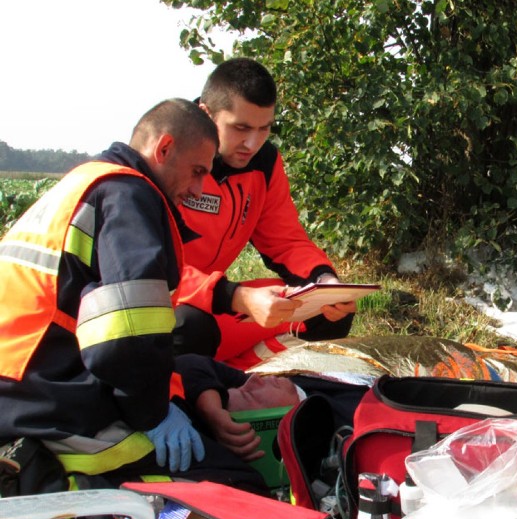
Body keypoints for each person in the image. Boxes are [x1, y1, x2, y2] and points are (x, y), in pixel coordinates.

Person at [0, 99, 267, 494]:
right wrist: (155, 415)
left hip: (24, 378)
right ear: (163, 149)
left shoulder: (90, 180)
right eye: (196, 172)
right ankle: (60, 485)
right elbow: (127, 337)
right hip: (50, 396)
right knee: (239, 484)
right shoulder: (131, 195)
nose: (197, 190)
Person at [173, 57, 356, 363]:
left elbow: (285, 240)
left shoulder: (265, 164)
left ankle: (242, 383)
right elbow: (150, 269)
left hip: (220, 302)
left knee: (329, 315)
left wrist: (325, 282)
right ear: (205, 115)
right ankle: (199, 392)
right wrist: (235, 296)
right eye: (240, 128)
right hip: (165, 309)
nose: (252, 143)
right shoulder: (169, 160)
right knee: (190, 327)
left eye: (264, 129)